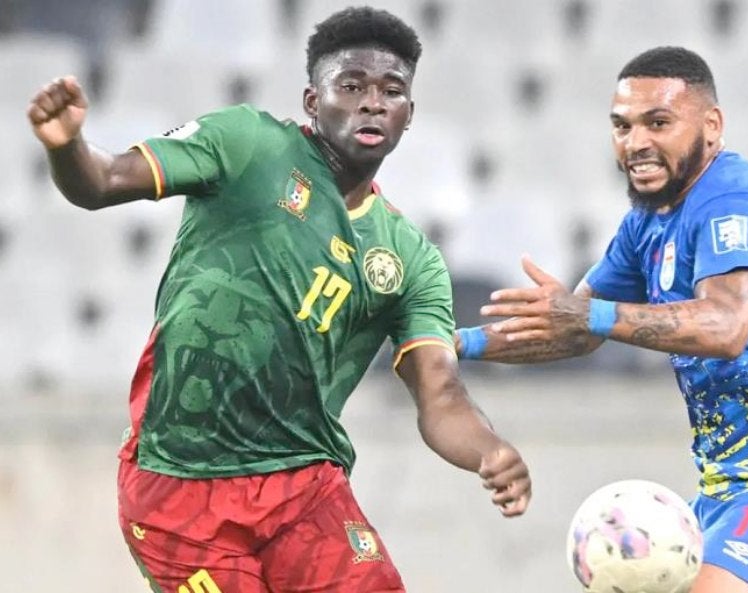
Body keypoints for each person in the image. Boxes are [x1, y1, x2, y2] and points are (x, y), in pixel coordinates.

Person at [27, 7, 531, 593]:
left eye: (391, 91)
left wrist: (488, 451)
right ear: (313, 101)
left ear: (408, 115)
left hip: (304, 490)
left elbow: (440, 394)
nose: (373, 103)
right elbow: (103, 181)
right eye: (352, 86)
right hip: (178, 491)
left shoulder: (409, 259)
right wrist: (67, 147)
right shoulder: (248, 144)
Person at [456, 46, 748, 593]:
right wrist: (449, 344)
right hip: (721, 499)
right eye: (622, 126)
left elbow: (725, 326)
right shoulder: (646, 223)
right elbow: (573, 328)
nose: (635, 142)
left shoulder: (733, 198)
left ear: (712, 126)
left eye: (658, 123)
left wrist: (589, 313)